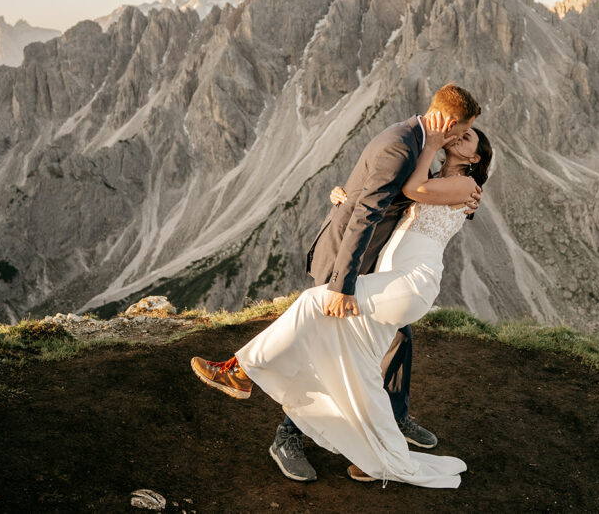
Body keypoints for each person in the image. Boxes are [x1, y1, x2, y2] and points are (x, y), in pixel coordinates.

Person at [191, 100, 493, 488]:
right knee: (361, 366)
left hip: (410, 282)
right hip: (392, 276)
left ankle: (242, 371)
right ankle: (377, 457)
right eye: (462, 129)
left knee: (317, 303)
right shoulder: (433, 171)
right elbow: (394, 193)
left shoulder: (466, 185)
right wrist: (346, 196)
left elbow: (411, 189)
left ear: (475, 158)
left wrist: (433, 145)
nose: (461, 136)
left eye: (469, 137)